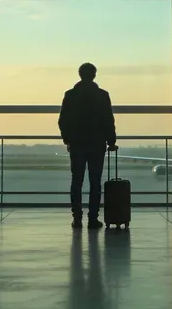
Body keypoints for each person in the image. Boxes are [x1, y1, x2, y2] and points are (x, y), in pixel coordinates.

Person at [58, 62, 117, 229]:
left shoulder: (70, 95)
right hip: (97, 144)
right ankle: (93, 218)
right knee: (95, 182)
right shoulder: (102, 95)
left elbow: (62, 121)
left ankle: (77, 218)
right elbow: (108, 120)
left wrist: (68, 139)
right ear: (94, 75)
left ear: (79, 74)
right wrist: (111, 141)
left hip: (77, 144)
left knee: (76, 181)